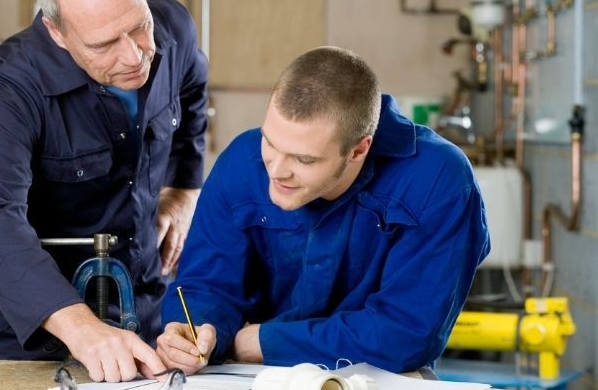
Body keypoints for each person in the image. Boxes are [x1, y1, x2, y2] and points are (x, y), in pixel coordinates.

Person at [156, 46, 490, 374]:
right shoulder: (240, 162)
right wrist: (197, 330)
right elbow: (205, 285)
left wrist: (260, 341)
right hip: (255, 375)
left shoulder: (438, 180)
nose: (276, 170)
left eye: (304, 159)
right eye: (270, 142)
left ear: (359, 149)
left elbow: (407, 333)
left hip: (382, 377)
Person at [0, 0, 208, 382]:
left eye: (138, 26)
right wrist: (79, 326)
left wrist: (184, 190)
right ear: (56, 31)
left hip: (147, 307)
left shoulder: (175, 29)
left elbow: (193, 97)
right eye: (104, 44)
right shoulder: (11, 86)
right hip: (38, 338)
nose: (134, 56)